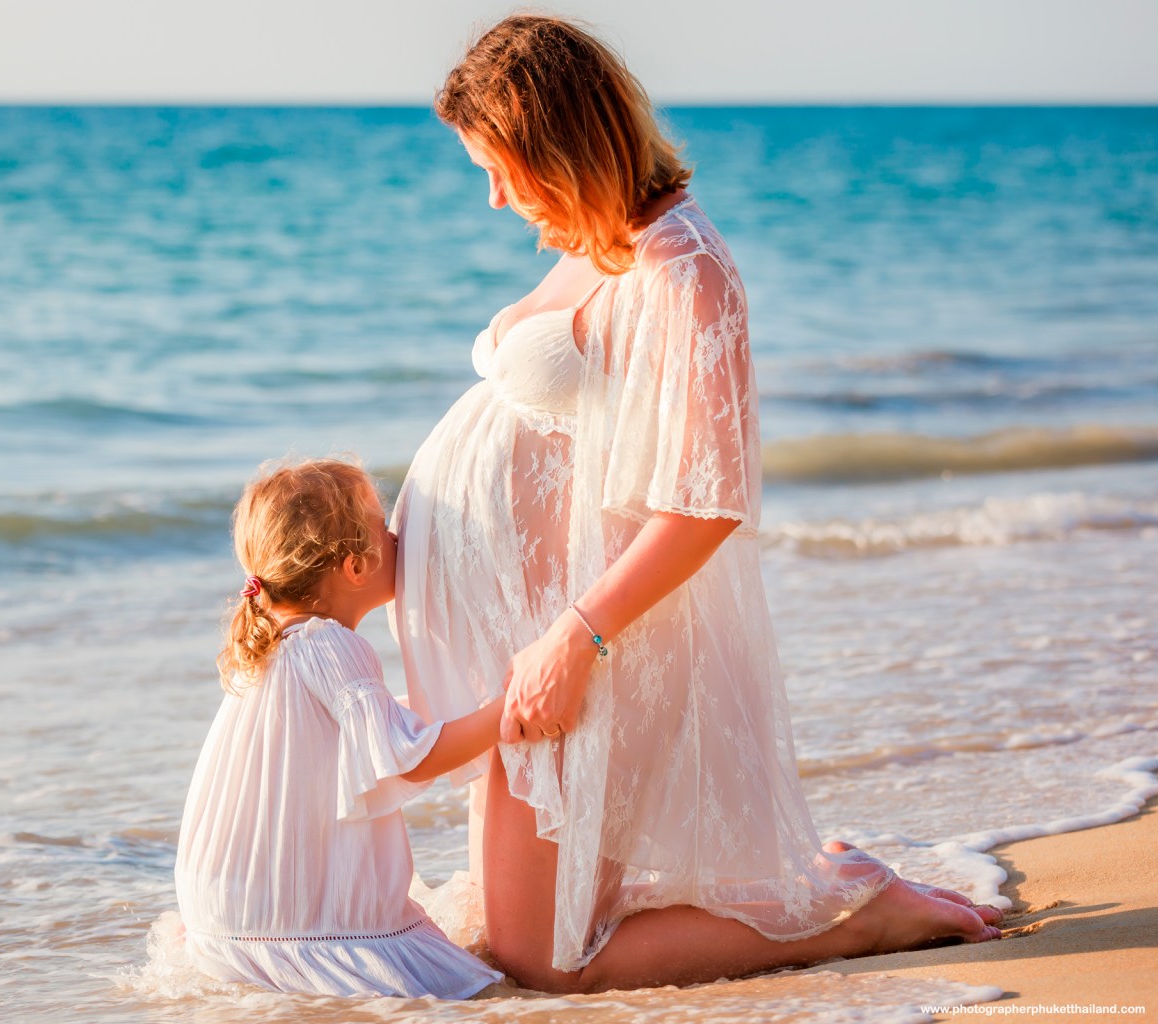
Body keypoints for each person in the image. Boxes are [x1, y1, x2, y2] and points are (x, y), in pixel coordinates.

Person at [389, 15, 1004, 993]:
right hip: (537, 631)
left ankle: (855, 921)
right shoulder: (600, 243)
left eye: (504, 167)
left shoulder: (688, 269)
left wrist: (571, 640)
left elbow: (708, 504)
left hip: (600, 645)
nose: (497, 195)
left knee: (549, 961)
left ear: (566, 143)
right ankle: (822, 886)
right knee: (519, 927)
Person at [173, 458, 505, 999]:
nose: (400, 535)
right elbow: (408, 756)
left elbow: (352, 740)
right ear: (355, 567)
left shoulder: (277, 643)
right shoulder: (333, 643)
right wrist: (507, 712)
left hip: (228, 914)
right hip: (300, 928)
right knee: (483, 993)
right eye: (385, 526)